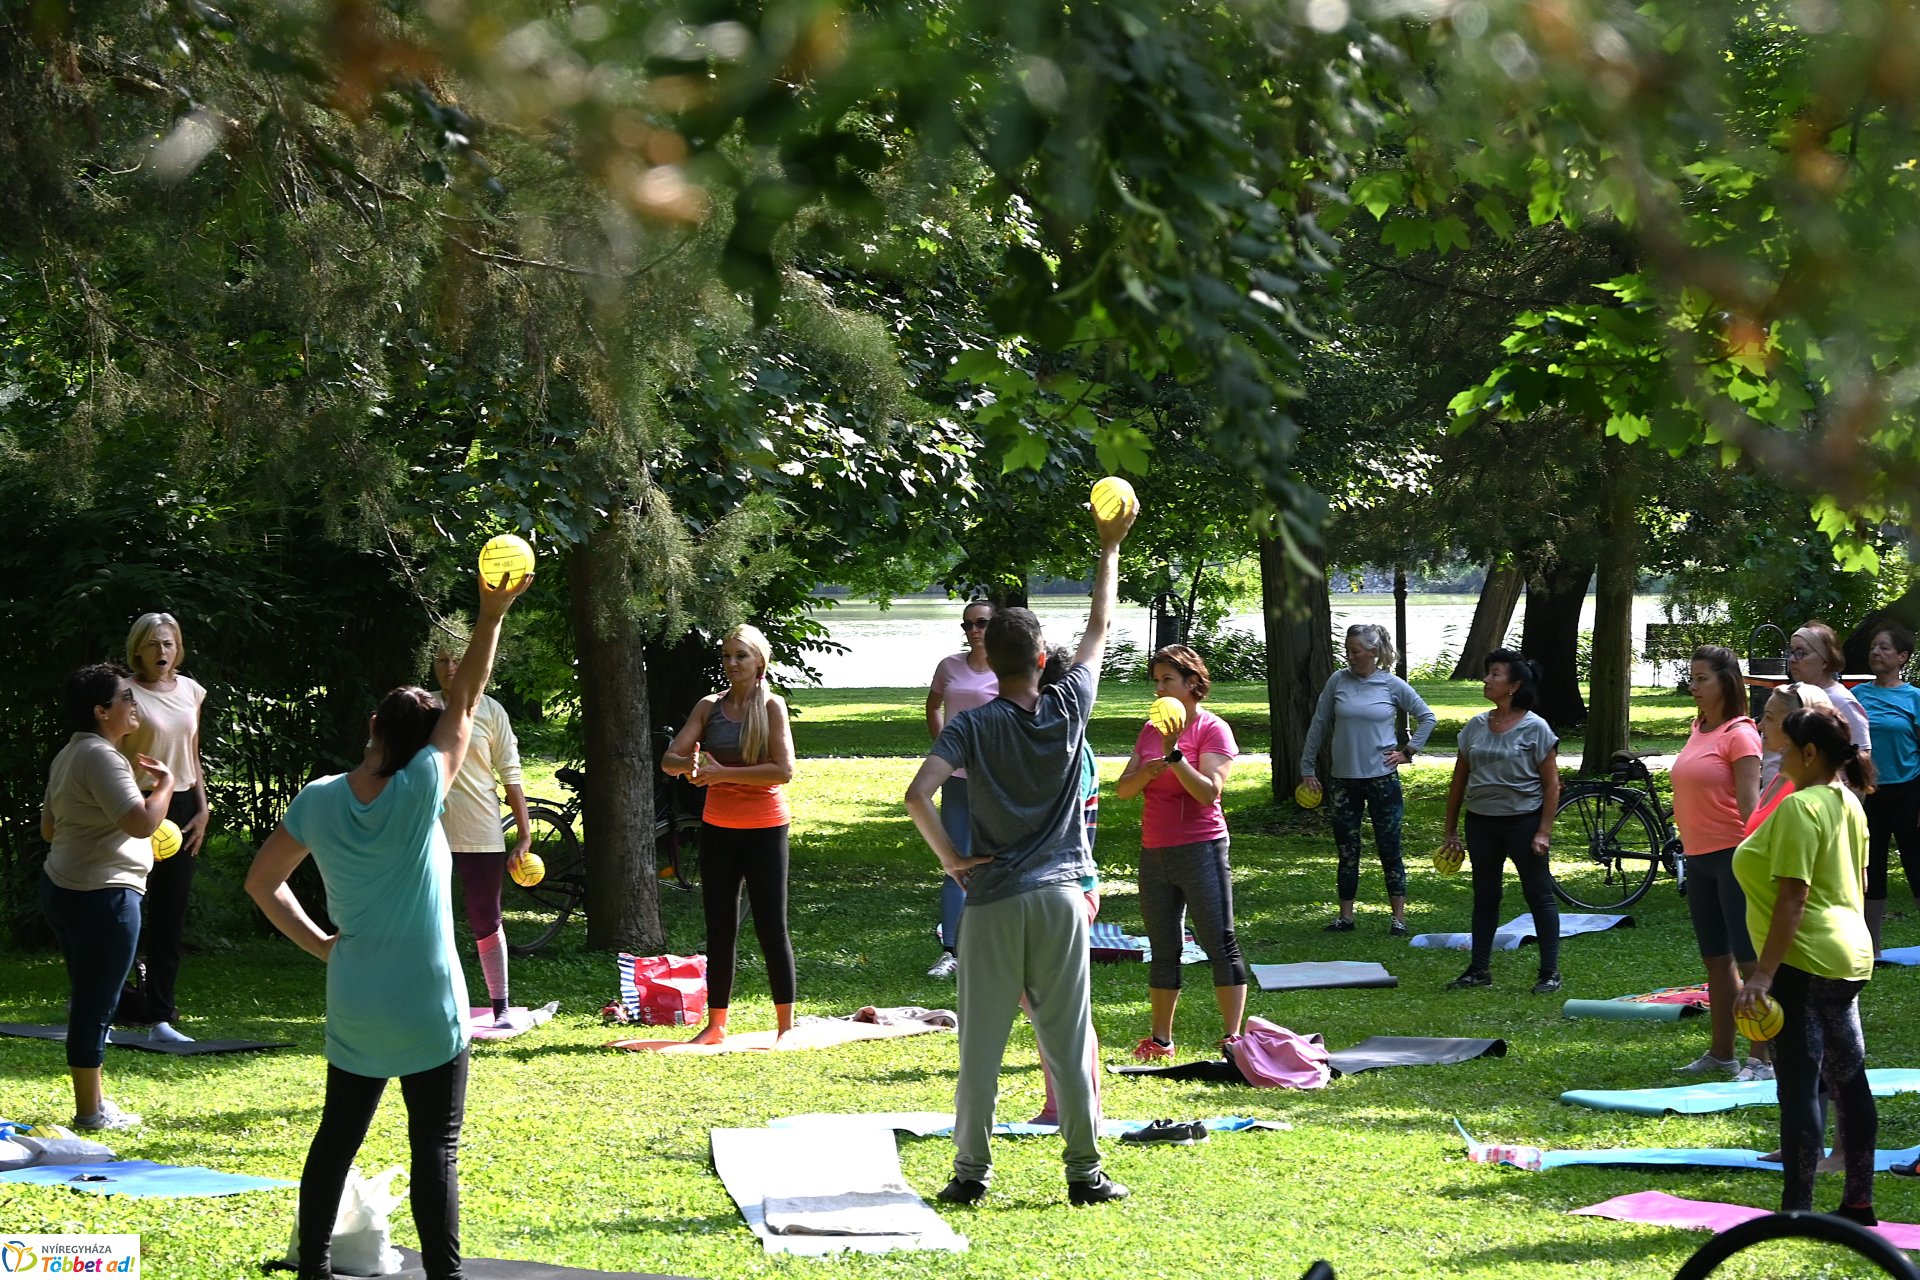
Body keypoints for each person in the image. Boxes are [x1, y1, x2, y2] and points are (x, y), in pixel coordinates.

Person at [246, 564, 529, 1280]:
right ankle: (446, 1277)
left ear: (373, 726)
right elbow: (464, 702)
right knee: (435, 1147)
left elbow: (262, 882)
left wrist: (320, 944)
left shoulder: (317, 799)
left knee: (336, 1139)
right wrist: (490, 614)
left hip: (358, 995)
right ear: (423, 744)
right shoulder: (421, 789)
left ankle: (313, 1269)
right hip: (429, 1001)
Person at [904, 495, 1135, 1207]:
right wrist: (1107, 547)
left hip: (994, 900)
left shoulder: (970, 727)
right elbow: (1099, 626)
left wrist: (952, 860)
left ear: (989, 658)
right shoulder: (1070, 706)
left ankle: (970, 1175)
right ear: (1040, 658)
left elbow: (918, 795)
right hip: (1064, 895)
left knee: (980, 1047)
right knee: (1067, 1041)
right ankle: (1085, 1175)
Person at [1733, 705, 1877, 1224]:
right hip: (1847, 957)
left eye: (1787, 747)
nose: (1779, 752)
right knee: (1849, 1079)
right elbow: (1856, 885)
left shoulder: (1801, 807)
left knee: (1798, 1084)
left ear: (1810, 753)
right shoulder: (1849, 801)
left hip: (1804, 962)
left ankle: (1797, 1212)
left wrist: (1764, 975)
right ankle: (1858, 1204)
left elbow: (1794, 896)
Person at [42, 664, 176, 1130]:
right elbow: (141, 822)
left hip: (66, 889)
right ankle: (89, 1114)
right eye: (126, 698)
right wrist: (164, 787)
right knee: (96, 1006)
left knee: (90, 998)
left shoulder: (69, 754)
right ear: (101, 711)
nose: (134, 704)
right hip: (103, 898)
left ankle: (96, 1102)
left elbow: (48, 828)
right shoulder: (101, 756)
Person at [659, 624, 797, 1046]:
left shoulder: (772, 706)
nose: (732, 663)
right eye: (726, 656)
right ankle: (716, 1025)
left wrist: (724, 773)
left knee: (772, 927)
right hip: (719, 828)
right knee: (719, 927)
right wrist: (693, 768)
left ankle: (785, 1028)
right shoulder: (708, 706)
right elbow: (670, 759)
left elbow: (783, 770)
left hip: (765, 827)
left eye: (741, 655)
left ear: (760, 661)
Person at [1113, 644, 1246, 1059]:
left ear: (1192, 684)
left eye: (1167, 679)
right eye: (1155, 681)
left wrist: (1174, 756)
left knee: (1217, 940)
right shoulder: (1151, 729)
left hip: (1201, 847)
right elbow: (1123, 789)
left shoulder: (1212, 729)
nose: (1159, 688)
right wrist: (1150, 768)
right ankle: (1161, 1039)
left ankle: (1232, 1038)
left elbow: (1209, 793)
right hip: (1155, 851)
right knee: (1163, 944)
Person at [1299, 623, 1436, 936]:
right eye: (1347, 650)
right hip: (1343, 782)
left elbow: (1427, 716)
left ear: (1374, 653)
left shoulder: (1391, 685)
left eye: (1355, 651)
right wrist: (1307, 769)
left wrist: (1409, 751)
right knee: (1347, 850)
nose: (1350, 657)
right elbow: (1319, 725)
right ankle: (1346, 917)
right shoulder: (1338, 680)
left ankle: (1398, 919)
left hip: (1382, 779)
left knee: (1390, 848)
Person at [1668, 646, 1765, 1080]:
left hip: (1733, 857)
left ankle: (1762, 1058)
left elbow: (1751, 805)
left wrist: (1760, 859)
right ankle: (1721, 1052)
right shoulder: (1698, 727)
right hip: (1699, 857)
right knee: (1715, 960)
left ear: (1726, 682)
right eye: (1692, 678)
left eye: (1702, 679)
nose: (1694, 687)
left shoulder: (1741, 734)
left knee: (1750, 962)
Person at [1441, 649, 1562, 993]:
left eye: (1495, 674)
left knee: (1538, 894)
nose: (1487, 680)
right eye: (1488, 673)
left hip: (1523, 823)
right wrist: (1450, 830)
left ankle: (1549, 972)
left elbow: (1552, 785)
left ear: (1514, 685)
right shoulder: (1475, 727)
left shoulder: (1536, 728)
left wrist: (1543, 831)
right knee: (1485, 896)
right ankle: (1479, 970)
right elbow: (1459, 780)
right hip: (1481, 823)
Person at [115, 612, 208, 1042]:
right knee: (126, 908)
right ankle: (122, 1000)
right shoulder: (124, 694)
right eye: (153, 644)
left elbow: (193, 751)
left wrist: (203, 809)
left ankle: (161, 1009)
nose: (162, 652)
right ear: (138, 649)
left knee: (170, 912)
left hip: (184, 803)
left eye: (168, 644)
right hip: (139, 805)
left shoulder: (190, 690)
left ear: (178, 648)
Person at [433, 629, 533, 1025]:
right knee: (429, 918)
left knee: (485, 917)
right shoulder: (423, 708)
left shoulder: (491, 711)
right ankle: (433, 1003)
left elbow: (511, 774)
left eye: (458, 658)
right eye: (442, 660)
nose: (451, 667)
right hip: (430, 833)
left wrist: (524, 834)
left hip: (481, 830)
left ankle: (501, 1007)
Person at [1030, 645, 1103, 1127]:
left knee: (1060, 1005)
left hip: (1068, 887)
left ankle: (1077, 1107)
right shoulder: (1062, 743)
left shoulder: (1068, 749)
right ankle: (1060, 1103)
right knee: (1041, 1002)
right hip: (1058, 887)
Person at [922, 600, 997, 978]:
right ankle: (951, 950)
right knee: (954, 860)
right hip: (956, 778)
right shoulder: (949, 666)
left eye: (982, 623)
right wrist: (944, 749)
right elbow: (932, 705)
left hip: (997, 781)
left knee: (998, 859)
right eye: (967, 625)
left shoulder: (1009, 669)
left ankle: (994, 945)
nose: (974, 631)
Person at [1856, 624, 1920, 955]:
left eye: (1884, 648)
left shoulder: (1914, 697)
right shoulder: (1859, 696)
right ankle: (1873, 949)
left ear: (1901, 657)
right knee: (1873, 868)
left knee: (1916, 863)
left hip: (1909, 790)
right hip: (1870, 793)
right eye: (1873, 647)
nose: (1875, 653)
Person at [1784, 621, 1870, 779]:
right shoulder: (1795, 694)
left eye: (1801, 652)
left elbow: (1860, 764)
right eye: (1791, 652)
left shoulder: (1841, 701)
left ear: (1825, 660)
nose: (1792, 659)